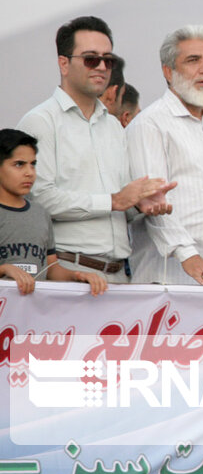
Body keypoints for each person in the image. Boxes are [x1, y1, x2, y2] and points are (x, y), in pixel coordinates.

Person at [17, 16, 174, 284]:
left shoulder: (113, 127)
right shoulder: (41, 122)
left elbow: (120, 201)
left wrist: (139, 204)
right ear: (63, 63)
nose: (101, 66)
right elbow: (39, 200)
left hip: (119, 275)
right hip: (69, 273)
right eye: (91, 59)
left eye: (108, 60)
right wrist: (113, 201)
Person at [125, 25, 203, 287]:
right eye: (193, 60)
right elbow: (153, 202)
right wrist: (188, 254)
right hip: (174, 277)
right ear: (168, 71)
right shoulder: (151, 124)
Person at [0, 129, 107, 295]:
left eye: (33, 164)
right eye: (19, 164)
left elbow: (51, 268)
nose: (29, 172)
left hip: (33, 314)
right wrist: (5, 269)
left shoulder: (40, 213)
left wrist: (77, 275)